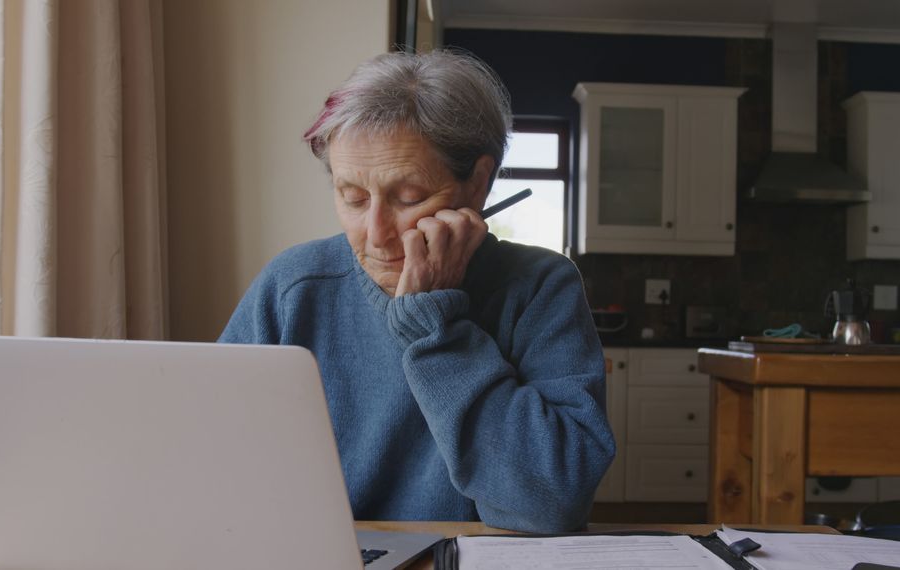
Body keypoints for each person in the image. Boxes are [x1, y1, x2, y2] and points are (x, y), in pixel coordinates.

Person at [218, 50, 614, 533]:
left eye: (409, 198)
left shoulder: (540, 288)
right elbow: (211, 464)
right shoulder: (293, 286)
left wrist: (436, 325)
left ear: (478, 185)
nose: (376, 233)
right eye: (353, 198)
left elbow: (550, 502)